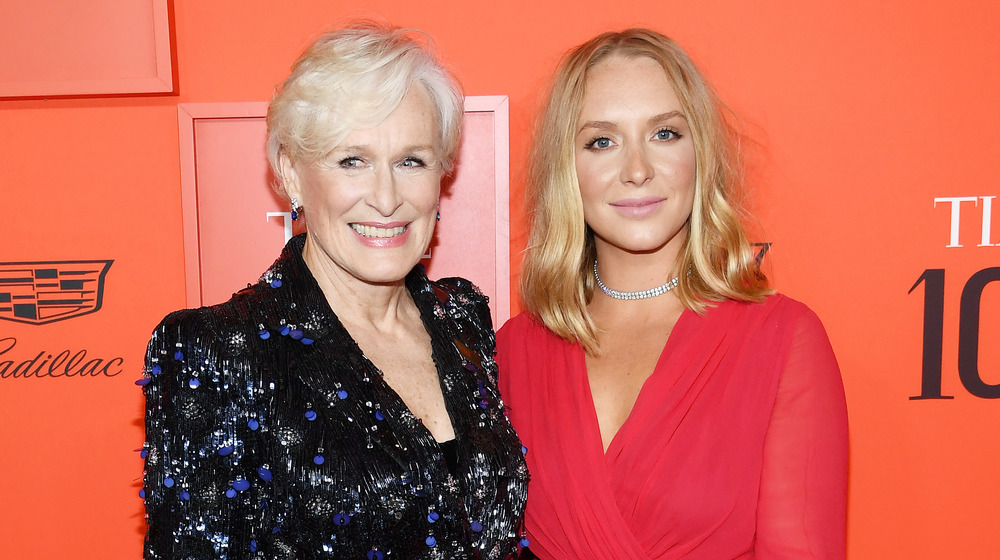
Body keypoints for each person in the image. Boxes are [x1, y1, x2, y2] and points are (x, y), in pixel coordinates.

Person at [140, 23, 527, 560]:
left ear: (442, 173)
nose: (387, 198)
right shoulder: (215, 350)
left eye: (410, 161)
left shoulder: (464, 316)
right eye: (353, 161)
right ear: (292, 174)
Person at [497, 29, 848, 559]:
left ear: (700, 153)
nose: (637, 170)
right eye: (602, 141)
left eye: (665, 134)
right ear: (566, 169)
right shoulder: (513, 352)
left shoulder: (782, 341)